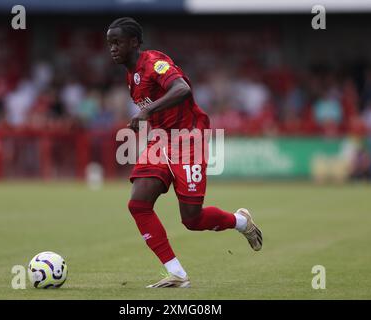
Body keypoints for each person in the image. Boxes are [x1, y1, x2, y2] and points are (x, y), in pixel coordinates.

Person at [106, 17, 262, 288]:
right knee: (138, 204)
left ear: (134, 42)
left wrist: (147, 111)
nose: (113, 48)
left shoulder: (154, 63)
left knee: (192, 219)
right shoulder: (131, 75)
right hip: (161, 142)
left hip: (189, 138)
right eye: (110, 43)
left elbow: (182, 89)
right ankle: (176, 273)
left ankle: (241, 222)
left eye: (117, 42)